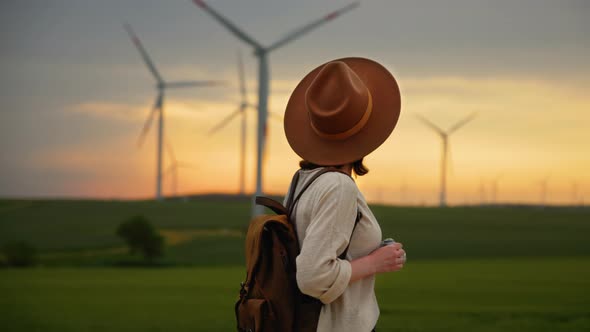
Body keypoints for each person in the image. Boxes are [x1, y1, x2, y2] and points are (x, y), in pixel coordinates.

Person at [283, 58, 406, 332]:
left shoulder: (303, 181)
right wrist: (375, 262)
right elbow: (313, 276)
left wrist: (373, 250)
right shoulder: (338, 187)